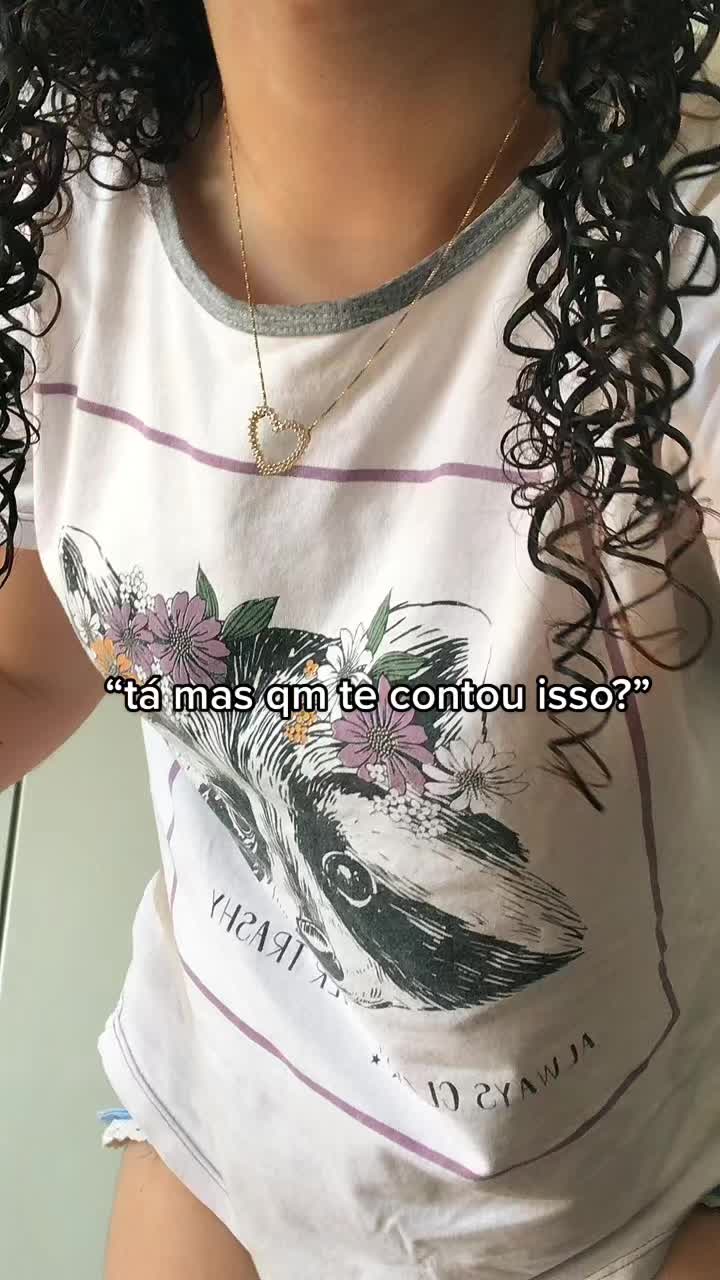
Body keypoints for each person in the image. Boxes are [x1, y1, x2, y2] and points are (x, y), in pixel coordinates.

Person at [1, 1, 719, 1277]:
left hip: (624, 1197)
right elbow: (24, 664)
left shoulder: (681, 263)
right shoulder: (57, 209)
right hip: (217, 1131)